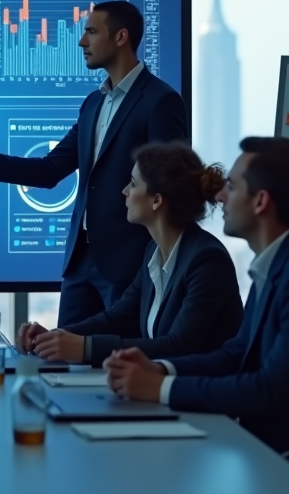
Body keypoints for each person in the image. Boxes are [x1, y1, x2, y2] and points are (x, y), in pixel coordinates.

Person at [104, 137, 289, 453]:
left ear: (260, 202)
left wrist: (160, 388)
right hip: (269, 450)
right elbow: (236, 355)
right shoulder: (280, 263)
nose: (219, 195)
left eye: (231, 187)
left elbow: (269, 390)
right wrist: (161, 370)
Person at [0, 1, 188, 324]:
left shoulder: (160, 101)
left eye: (92, 32)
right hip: (79, 262)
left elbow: (171, 184)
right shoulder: (93, 104)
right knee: (64, 360)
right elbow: (50, 170)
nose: (82, 41)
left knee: (118, 362)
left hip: (129, 264)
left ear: (121, 37)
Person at [18, 141, 242, 366]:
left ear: (156, 200)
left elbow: (177, 346)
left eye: (133, 184)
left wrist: (85, 348)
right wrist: (54, 336)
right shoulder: (154, 251)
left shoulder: (207, 260)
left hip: (198, 395)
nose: (125, 191)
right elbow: (118, 318)